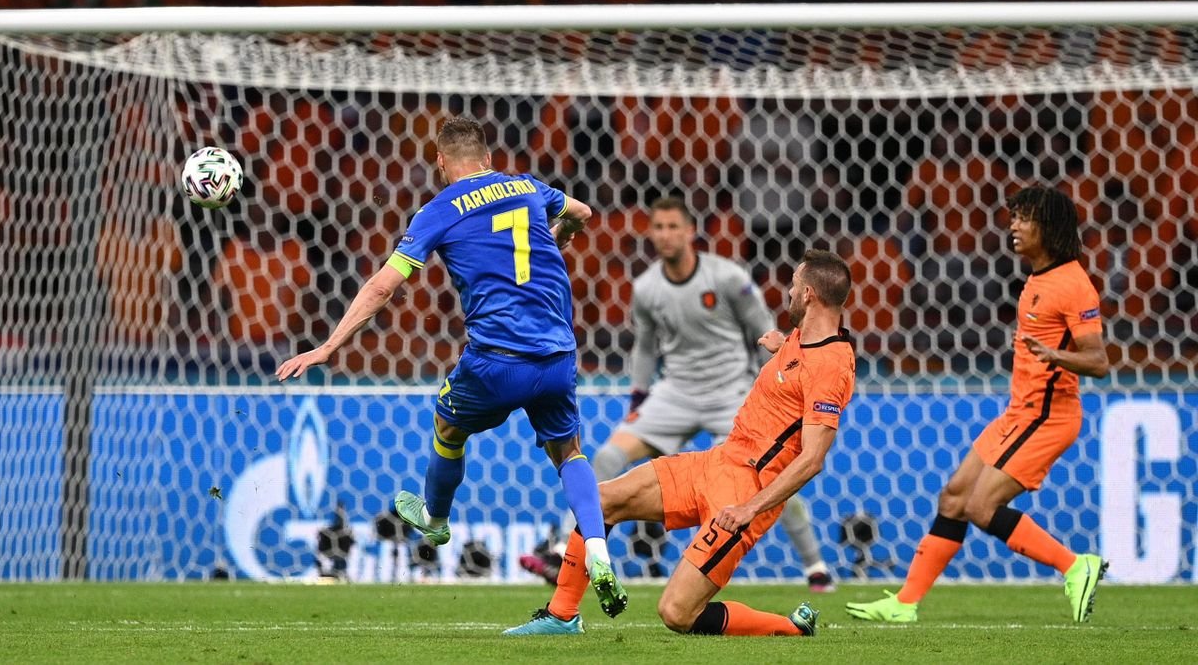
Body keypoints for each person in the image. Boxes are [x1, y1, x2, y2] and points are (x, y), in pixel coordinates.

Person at [276, 116, 627, 617]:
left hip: (495, 362)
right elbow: (583, 211)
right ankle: (597, 549)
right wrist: (561, 232)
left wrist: (329, 346)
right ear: (488, 158)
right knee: (569, 453)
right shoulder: (527, 186)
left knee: (447, 426)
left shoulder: (438, 210)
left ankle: (436, 518)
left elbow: (384, 286)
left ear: (441, 162)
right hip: (557, 357)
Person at [504, 250, 857, 637]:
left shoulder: (831, 365)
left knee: (677, 613)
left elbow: (812, 458)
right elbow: (798, 370)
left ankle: (791, 628)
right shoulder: (802, 341)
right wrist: (782, 346)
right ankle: (561, 616)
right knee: (599, 500)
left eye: (794, 285)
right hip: (717, 462)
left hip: (744, 493)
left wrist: (749, 508)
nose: (787, 292)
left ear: (808, 294)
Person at [846, 185, 1111, 624]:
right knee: (953, 497)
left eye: (1024, 218)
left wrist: (1053, 355)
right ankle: (905, 604)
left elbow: (1098, 362)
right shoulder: (1039, 279)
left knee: (980, 506)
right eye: (1014, 217)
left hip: (1048, 417)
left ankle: (1075, 566)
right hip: (1019, 413)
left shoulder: (1073, 285)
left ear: (1048, 227)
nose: (1014, 225)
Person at [545, 195, 835, 591]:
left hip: (729, 392)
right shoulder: (647, 288)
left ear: (689, 232)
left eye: (673, 227)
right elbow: (645, 347)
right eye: (658, 227)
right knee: (610, 455)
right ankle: (563, 547)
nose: (665, 235)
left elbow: (762, 328)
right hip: (675, 394)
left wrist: (771, 383)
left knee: (761, 473)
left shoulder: (727, 277)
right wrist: (638, 400)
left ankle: (815, 566)